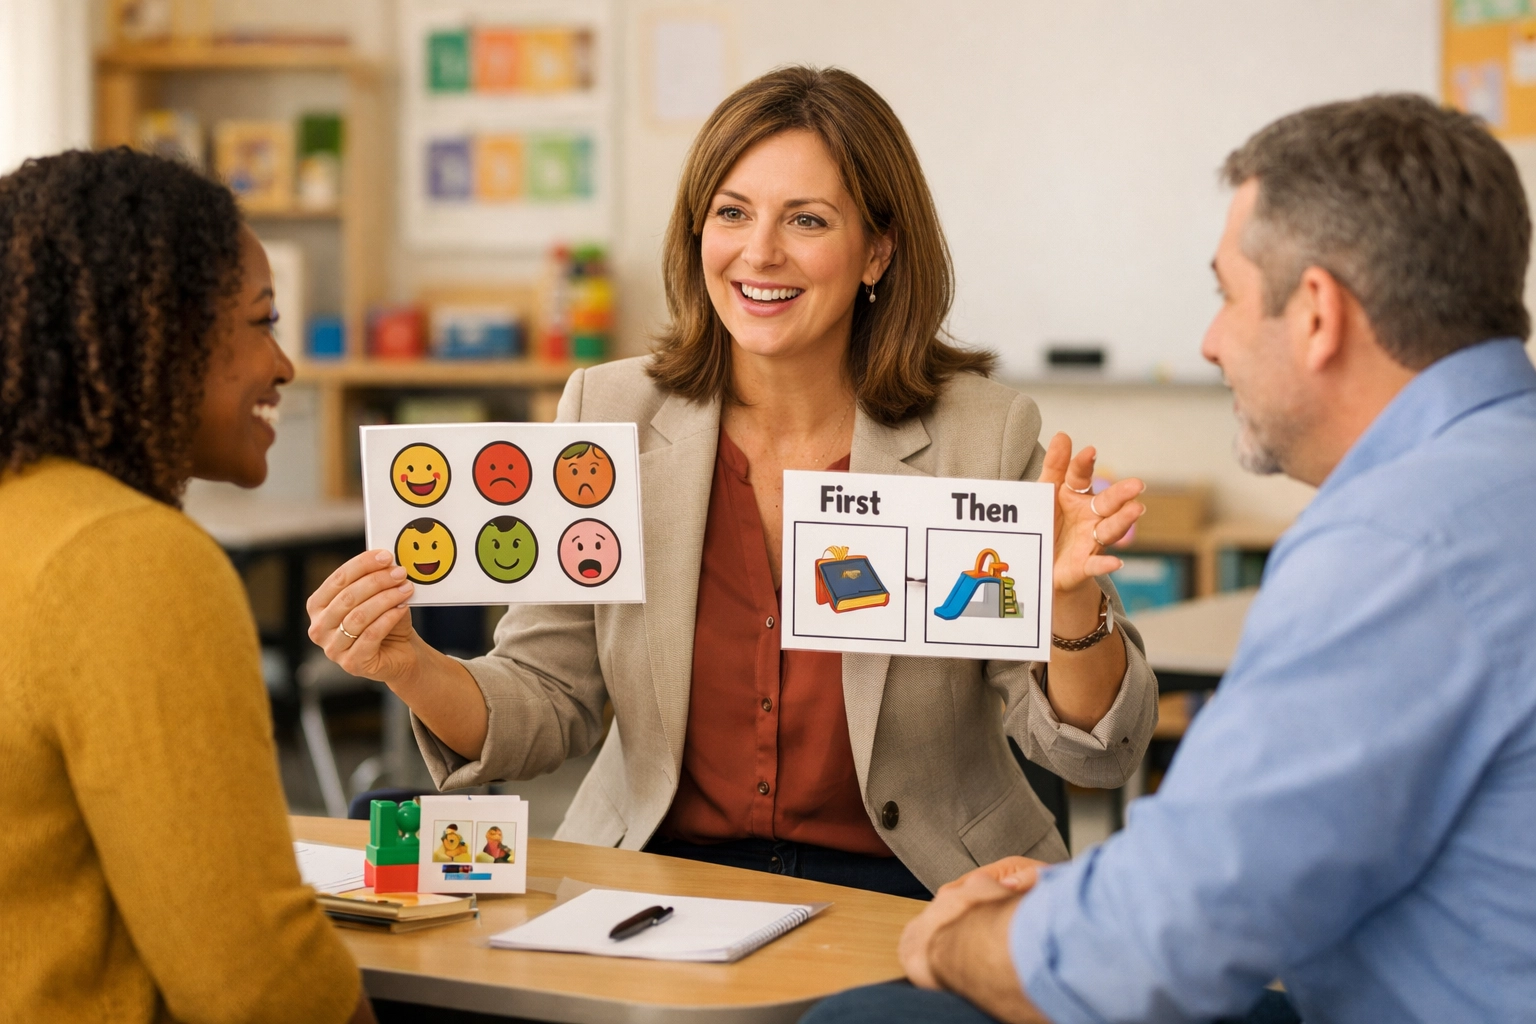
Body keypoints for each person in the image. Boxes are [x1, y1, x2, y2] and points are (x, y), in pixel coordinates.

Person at [307, 66, 1158, 899]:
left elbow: (1093, 755)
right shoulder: (609, 412)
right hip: (659, 878)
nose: (760, 252)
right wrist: (411, 665)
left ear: (879, 251)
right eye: (732, 213)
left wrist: (1068, 608)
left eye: (809, 220)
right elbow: (548, 698)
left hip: (912, 886)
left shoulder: (981, 434)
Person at [808, 94, 1536, 1023]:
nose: (1209, 341)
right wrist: (1102, 892)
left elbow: (1160, 944)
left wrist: (948, 937)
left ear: (1317, 314)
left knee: (869, 1019)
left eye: (1228, 294)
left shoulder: (1394, 550)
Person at [0, 149, 374, 1024]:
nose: (283, 365)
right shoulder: (127, 558)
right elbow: (257, 989)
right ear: (154, 328)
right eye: (260, 321)